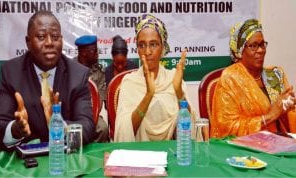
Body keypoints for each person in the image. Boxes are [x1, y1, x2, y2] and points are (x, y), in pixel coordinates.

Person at [0, 11, 95, 151]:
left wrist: (60, 127)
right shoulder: (12, 73)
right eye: (41, 37)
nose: (49, 43)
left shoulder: (78, 75)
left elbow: (87, 127)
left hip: (64, 160)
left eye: (55, 37)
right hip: (25, 167)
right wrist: (14, 130)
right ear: (28, 42)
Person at [114, 14, 195, 142]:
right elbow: (126, 132)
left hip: (172, 154)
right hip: (139, 156)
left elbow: (190, 128)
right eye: (142, 45)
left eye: (153, 44)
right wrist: (149, 95)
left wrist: (179, 92)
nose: (147, 52)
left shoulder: (173, 79)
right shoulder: (129, 82)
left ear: (162, 47)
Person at [211, 19, 296, 138]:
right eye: (253, 46)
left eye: (262, 44)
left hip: (282, 143)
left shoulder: (275, 75)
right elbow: (227, 128)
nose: (260, 50)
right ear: (240, 51)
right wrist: (270, 116)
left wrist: (289, 107)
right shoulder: (230, 79)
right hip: (247, 150)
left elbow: (287, 118)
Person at [75, 35, 109, 142]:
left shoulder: (99, 72)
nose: (97, 54)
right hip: (71, 113)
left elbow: (100, 99)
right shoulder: (69, 68)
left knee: (103, 128)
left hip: (91, 112)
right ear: (84, 53)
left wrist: (91, 118)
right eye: (94, 51)